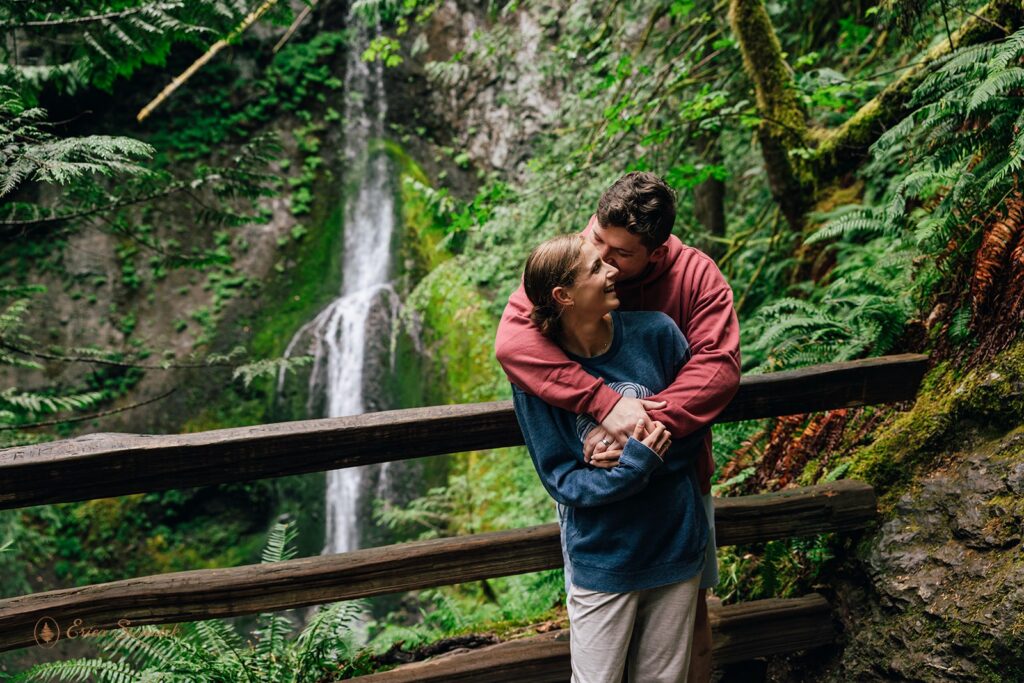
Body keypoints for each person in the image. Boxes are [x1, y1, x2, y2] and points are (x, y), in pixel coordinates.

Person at [495, 172, 741, 681]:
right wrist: (604, 404)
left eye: (619, 254)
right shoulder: (571, 265)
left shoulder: (693, 279)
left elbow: (717, 367)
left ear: (656, 252)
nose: (604, 260)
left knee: (689, 626)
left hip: (676, 481)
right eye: (597, 241)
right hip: (601, 513)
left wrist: (643, 431)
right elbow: (514, 343)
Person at [513, 233, 709, 682]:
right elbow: (562, 479)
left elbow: (692, 433)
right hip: (602, 557)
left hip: (673, 541)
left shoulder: (657, 334)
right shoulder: (537, 376)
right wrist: (636, 464)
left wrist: (631, 453)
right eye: (596, 268)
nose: (612, 271)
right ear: (563, 296)